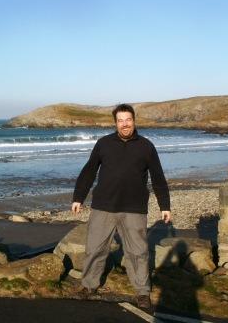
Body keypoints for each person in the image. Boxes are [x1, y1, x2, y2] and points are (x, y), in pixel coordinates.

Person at [71, 103, 171, 309]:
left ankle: (142, 292)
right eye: (120, 120)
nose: (125, 124)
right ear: (115, 122)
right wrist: (78, 197)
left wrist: (165, 206)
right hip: (103, 206)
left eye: (128, 120)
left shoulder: (146, 146)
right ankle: (89, 285)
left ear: (134, 120)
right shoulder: (103, 144)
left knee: (138, 252)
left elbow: (158, 177)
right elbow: (89, 171)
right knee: (94, 249)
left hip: (134, 208)